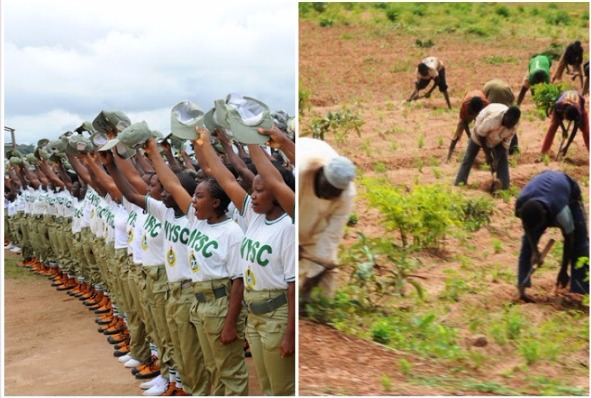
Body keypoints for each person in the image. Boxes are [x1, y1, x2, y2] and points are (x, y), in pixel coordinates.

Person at [195, 127, 295, 396]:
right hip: (256, 315)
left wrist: (291, 334)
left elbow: (293, 286)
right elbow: (225, 179)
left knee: (282, 390)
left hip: (278, 314)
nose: (253, 196)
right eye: (253, 190)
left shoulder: (288, 227)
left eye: (260, 191)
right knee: (266, 387)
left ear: (278, 192)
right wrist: (203, 142)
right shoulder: (255, 218)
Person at [298, 137, 356, 309]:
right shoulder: (301, 170)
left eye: (334, 193)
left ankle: (321, 313)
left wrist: (309, 283)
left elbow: (330, 237)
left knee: (326, 276)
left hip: (315, 232)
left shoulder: (347, 196)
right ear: (321, 173)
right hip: (295, 218)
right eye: (327, 189)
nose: (329, 195)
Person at [515, 170, 589, 302]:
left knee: (580, 242)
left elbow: (569, 237)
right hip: (542, 188)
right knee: (527, 243)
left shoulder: (560, 210)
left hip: (568, 192)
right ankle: (522, 287)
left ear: (545, 218)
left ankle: (581, 290)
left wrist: (563, 269)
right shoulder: (521, 206)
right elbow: (527, 228)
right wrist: (535, 251)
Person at [454, 104, 521, 190]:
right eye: (510, 122)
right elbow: (481, 134)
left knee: (502, 160)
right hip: (479, 133)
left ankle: (503, 187)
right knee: (469, 157)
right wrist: (488, 154)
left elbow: (505, 144)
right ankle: (460, 183)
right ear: (505, 116)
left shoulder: (514, 125)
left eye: (513, 124)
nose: (510, 125)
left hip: (498, 138)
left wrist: (495, 161)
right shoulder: (493, 119)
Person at [541, 90, 589, 156]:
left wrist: (566, 147)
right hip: (564, 101)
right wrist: (563, 129)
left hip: (579, 104)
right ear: (564, 112)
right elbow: (557, 115)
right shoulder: (559, 104)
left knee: (586, 130)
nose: (566, 120)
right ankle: (544, 152)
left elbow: (574, 131)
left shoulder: (578, 113)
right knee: (554, 125)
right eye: (565, 118)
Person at [447, 90, 489, 161]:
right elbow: (464, 122)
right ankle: (448, 156)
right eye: (474, 114)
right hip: (470, 109)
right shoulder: (465, 105)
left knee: (487, 132)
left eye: (477, 114)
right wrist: (470, 136)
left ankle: (489, 156)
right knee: (459, 129)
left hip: (482, 112)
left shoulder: (486, 104)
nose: (475, 116)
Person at [483, 79, 519, 154]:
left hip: (494, 94)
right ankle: (514, 147)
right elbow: (512, 99)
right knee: (510, 121)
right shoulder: (490, 88)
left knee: (498, 122)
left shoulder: (485, 90)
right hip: (507, 91)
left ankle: (493, 147)